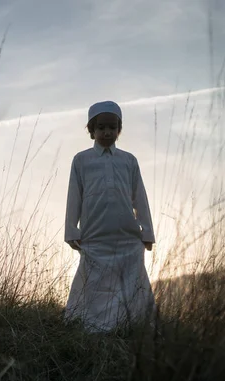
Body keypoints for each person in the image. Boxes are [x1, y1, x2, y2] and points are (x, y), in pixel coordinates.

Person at [64, 100, 156, 333]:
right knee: (94, 282)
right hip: (94, 235)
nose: (107, 132)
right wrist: (71, 231)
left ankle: (134, 326)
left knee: (131, 281)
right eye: (101, 127)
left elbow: (140, 197)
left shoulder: (129, 160)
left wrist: (147, 231)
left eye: (112, 128)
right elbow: (74, 196)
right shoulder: (81, 160)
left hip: (127, 236)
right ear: (91, 130)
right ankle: (90, 328)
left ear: (119, 129)